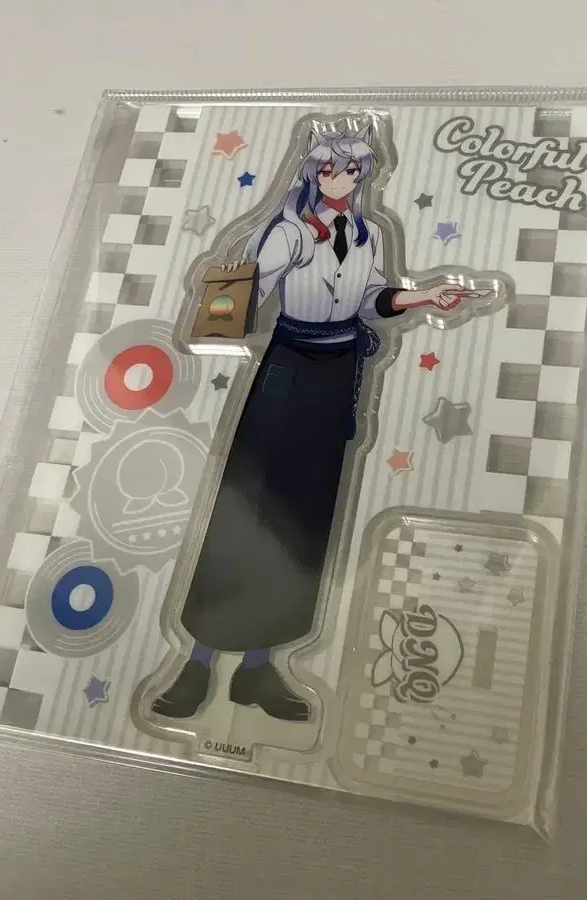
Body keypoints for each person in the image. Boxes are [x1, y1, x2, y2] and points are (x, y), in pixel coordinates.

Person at [152, 123, 473, 722]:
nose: (340, 180)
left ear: (363, 175)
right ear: (312, 174)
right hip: (288, 370)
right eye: (328, 170)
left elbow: (372, 298)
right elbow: (249, 291)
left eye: (350, 171)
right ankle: (198, 662)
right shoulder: (291, 231)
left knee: (303, 516)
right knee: (248, 508)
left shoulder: (368, 233)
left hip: (337, 372)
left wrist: (426, 298)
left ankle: (258, 668)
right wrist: (219, 294)